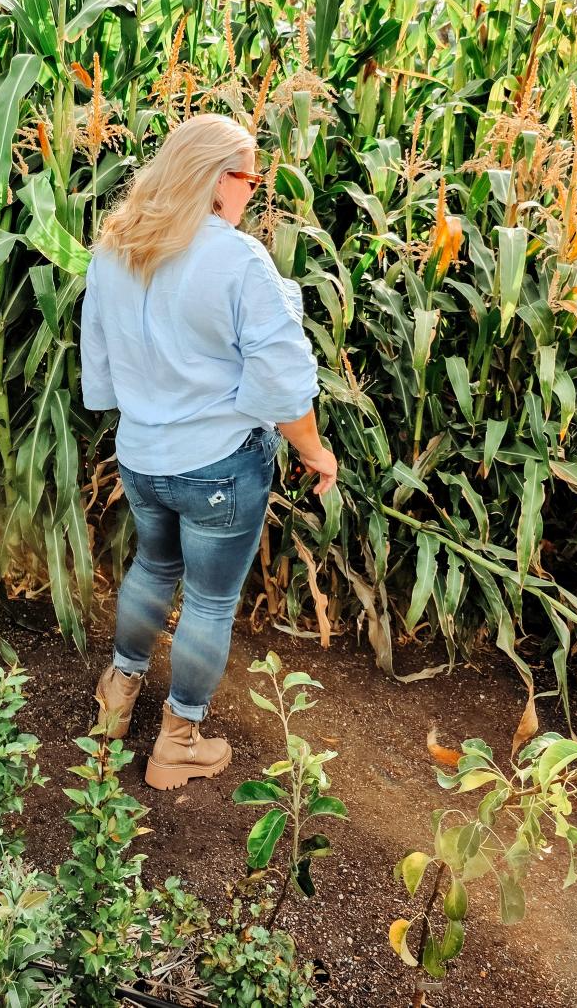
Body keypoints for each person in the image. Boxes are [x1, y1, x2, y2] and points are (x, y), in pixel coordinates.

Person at [80, 113, 337, 792]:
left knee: (151, 566)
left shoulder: (115, 246)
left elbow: (99, 360)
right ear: (218, 178)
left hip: (141, 454)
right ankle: (176, 742)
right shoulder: (235, 259)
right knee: (210, 603)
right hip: (218, 462)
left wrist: (139, 404)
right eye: (250, 178)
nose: (252, 191)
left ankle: (114, 702)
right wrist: (314, 452)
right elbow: (281, 379)